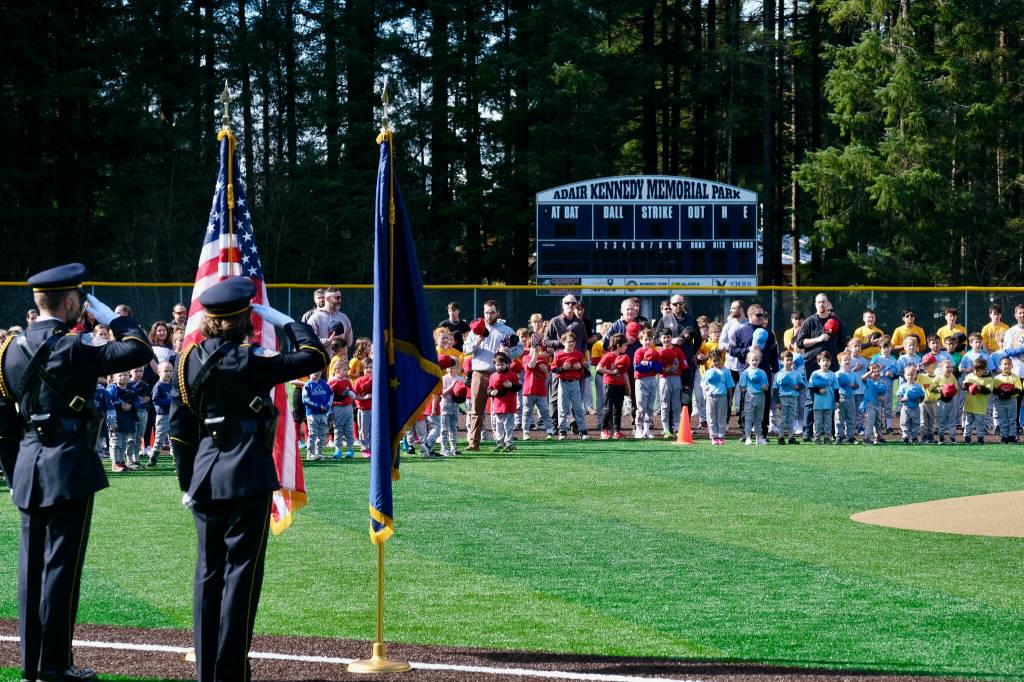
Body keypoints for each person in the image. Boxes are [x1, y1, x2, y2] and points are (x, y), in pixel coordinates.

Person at [168, 276, 326, 682]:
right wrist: (288, 321)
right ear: (244, 319)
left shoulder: (187, 361)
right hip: (247, 477)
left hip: (204, 477)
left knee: (208, 574)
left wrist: (188, 481)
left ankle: (208, 670)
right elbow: (313, 356)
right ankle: (231, 670)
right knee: (241, 576)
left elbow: (178, 429)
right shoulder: (253, 360)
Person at [0, 262, 152, 682]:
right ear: (71, 302)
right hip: (68, 462)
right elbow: (139, 349)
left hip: (29, 463)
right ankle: (54, 665)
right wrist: (114, 317)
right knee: (62, 568)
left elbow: (4, 421)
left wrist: (16, 471)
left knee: (31, 571)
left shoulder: (10, 348)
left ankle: (32, 664)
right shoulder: (73, 347)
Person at [462, 300, 522, 451]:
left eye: (492, 312)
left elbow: (519, 349)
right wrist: (476, 342)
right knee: (476, 410)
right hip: (479, 373)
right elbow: (465, 350)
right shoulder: (476, 329)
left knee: (502, 411)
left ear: (498, 312)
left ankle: (504, 442)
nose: (489, 315)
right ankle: (473, 443)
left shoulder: (506, 329)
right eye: (487, 312)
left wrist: (509, 352)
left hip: (500, 374)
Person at [794, 293, 845, 441]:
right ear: (815, 304)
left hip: (832, 367)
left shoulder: (836, 322)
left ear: (828, 304)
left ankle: (832, 433)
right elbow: (799, 343)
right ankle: (807, 432)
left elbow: (842, 344)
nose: (821, 304)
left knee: (832, 398)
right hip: (812, 367)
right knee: (811, 399)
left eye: (823, 302)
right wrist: (819, 338)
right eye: (818, 302)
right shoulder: (809, 322)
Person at [552, 331, 588, 440]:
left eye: (573, 341)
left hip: (575, 382)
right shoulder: (559, 355)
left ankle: (583, 430)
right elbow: (553, 369)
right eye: (568, 342)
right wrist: (563, 368)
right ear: (563, 342)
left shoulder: (578, 354)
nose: (571, 343)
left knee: (578, 407)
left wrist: (580, 367)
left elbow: (583, 369)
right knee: (563, 407)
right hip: (563, 382)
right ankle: (562, 431)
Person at [597, 333, 630, 439]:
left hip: (620, 385)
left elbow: (624, 372)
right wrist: (612, 372)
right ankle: (604, 430)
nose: (626, 347)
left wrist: (628, 386)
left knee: (618, 409)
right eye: (624, 345)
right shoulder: (608, 356)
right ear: (618, 345)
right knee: (608, 408)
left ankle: (616, 431)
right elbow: (598, 368)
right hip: (609, 384)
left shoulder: (623, 357)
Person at [487, 351, 522, 452]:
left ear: (507, 364)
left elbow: (518, 386)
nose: (500, 367)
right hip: (497, 406)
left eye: (502, 364)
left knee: (508, 426)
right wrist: (491, 392)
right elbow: (489, 388)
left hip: (508, 405)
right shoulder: (493, 376)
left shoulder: (513, 375)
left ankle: (509, 444)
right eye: (497, 364)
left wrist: (511, 386)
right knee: (499, 425)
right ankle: (500, 443)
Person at [631, 329, 662, 439]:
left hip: (652, 380)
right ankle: (638, 429)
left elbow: (659, 368)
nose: (647, 342)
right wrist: (650, 366)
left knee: (650, 406)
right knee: (640, 406)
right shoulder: (638, 352)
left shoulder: (655, 352)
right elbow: (638, 368)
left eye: (649, 339)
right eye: (645, 340)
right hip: (641, 381)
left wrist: (648, 364)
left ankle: (647, 429)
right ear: (640, 341)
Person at [701, 349, 734, 445]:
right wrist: (705, 388)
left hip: (722, 397)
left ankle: (721, 435)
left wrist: (730, 399)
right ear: (710, 361)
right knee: (711, 416)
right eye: (714, 360)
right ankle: (713, 436)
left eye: (718, 360)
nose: (716, 363)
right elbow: (703, 384)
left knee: (721, 417)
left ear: (721, 359)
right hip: (711, 397)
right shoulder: (708, 372)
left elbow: (729, 386)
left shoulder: (726, 371)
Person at [772, 351, 806, 444]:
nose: (789, 362)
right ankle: (781, 437)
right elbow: (775, 390)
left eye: (791, 360)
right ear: (782, 361)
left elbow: (802, 385)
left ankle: (791, 437)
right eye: (787, 360)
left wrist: (798, 387)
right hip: (782, 399)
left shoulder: (796, 374)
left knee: (791, 418)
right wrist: (777, 402)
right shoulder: (778, 374)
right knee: (782, 419)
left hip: (793, 398)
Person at [327, 357, 356, 459]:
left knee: (349, 430)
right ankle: (338, 450)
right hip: (338, 408)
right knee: (338, 430)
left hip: (348, 407)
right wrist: (346, 393)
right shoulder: (332, 382)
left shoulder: (347, 381)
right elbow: (332, 395)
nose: (346, 372)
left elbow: (353, 392)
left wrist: (353, 394)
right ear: (337, 370)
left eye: (346, 370)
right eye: (344, 369)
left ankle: (350, 450)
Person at [738, 348, 769, 445]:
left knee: (758, 419)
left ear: (759, 360)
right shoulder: (745, 373)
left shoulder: (762, 372)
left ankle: (759, 438)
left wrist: (764, 388)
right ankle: (748, 437)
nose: (754, 362)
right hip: (750, 397)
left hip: (760, 397)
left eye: (756, 360)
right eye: (752, 360)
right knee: (748, 418)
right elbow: (742, 386)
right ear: (748, 361)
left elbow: (766, 386)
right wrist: (747, 390)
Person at [808, 351, 839, 445]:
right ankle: (816, 437)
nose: (825, 362)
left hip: (829, 403)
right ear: (819, 362)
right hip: (818, 404)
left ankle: (827, 437)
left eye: (827, 360)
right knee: (817, 421)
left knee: (828, 422)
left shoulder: (832, 375)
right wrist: (818, 391)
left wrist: (837, 401)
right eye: (823, 360)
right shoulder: (815, 374)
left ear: (830, 362)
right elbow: (811, 387)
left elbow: (836, 389)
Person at [302, 369, 332, 461]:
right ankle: (310, 454)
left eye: (319, 371)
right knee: (313, 434)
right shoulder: (307, 385)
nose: (317, 373)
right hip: (312, 414)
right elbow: (305, 399)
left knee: (322, 434)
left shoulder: (324, 384)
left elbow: (331, 395)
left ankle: (319, 453)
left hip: (323, 414)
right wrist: (317, 406)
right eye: (315, 370)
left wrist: (326, 405)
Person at [150, 361, 174, 465]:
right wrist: (170, 402)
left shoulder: (172, 385)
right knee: (159, 439)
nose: (168, 373)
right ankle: (153, 457)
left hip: (173, 415)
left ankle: (175, 459)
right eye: (166, 371)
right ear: (159, 372)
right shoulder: (158, 386)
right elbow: (155, 400)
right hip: (162, 416)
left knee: (174, 438)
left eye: (170, 371)